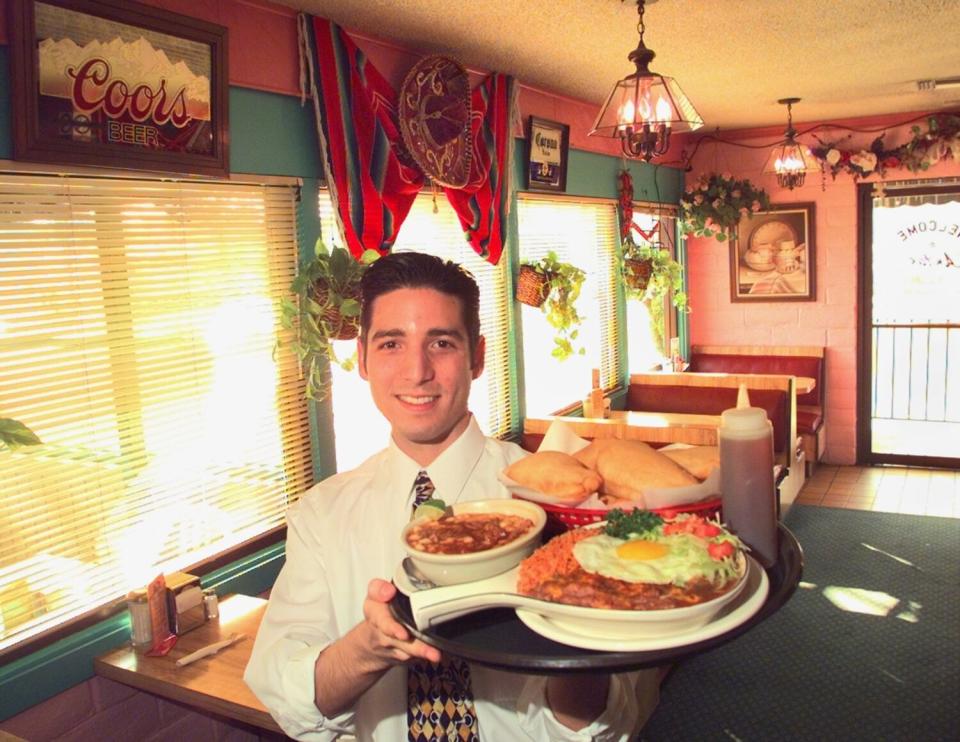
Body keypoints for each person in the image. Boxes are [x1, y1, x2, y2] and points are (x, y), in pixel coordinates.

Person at [245, 251, 659, 740]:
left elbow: (609, 722)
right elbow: (289, 698)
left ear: (478, 356)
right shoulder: (322, 515)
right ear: (363, 360)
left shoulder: (557, 505)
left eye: (440, 343)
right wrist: (370, 646)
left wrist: (581, 635)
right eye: (391, 344)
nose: (417, 371)